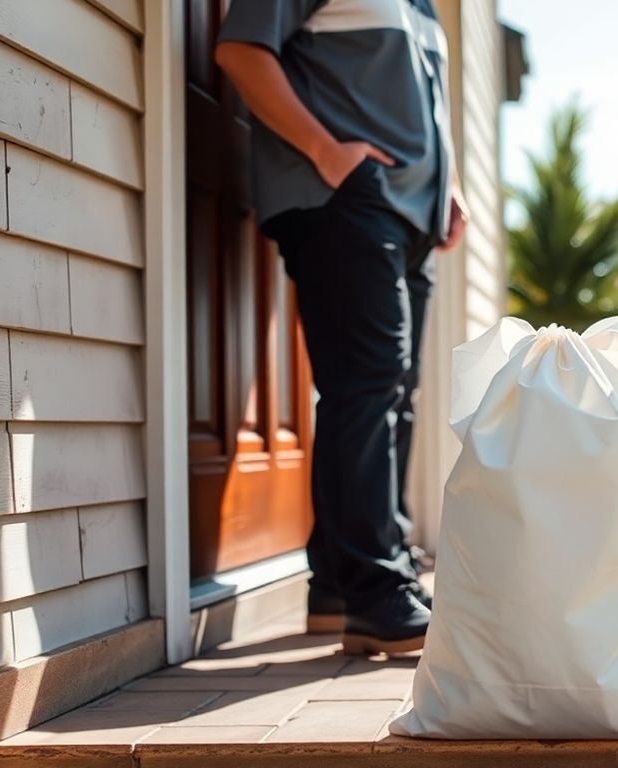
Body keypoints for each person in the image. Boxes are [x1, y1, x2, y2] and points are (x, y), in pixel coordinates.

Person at [216, 0, 468, 655]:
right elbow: (240, 50)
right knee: (369, 382)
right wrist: (329, 154)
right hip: (344, 199)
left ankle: (340, 582)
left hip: (415, 215)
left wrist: (451, 185)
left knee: (393, 391)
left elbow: (422, 99)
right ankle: (372, 585)